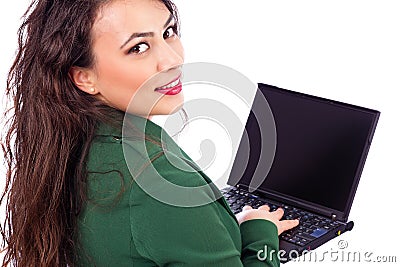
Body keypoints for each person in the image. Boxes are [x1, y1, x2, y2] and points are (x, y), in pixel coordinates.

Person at [0, 0, 299, 266]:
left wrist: (212, 230)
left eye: (168, 32)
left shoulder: (68, 144)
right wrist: (258, 232)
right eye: (138, 47)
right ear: (84, 77)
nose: (172, 60)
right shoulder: (162, 183)